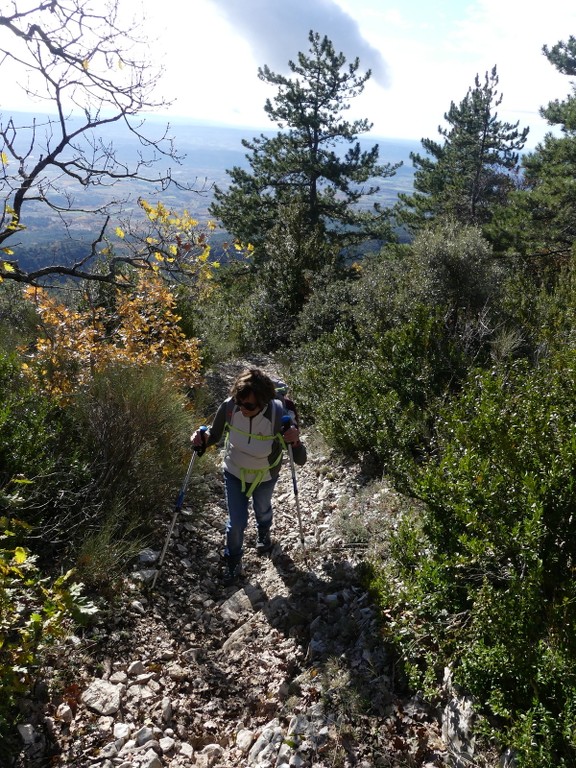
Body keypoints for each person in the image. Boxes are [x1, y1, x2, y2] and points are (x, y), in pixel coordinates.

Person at [191, 368, 306, 584]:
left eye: (249, 405)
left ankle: (264, 531)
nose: (242, 408)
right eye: (239, 401)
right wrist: (201, 438)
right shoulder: (230, 407)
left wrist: (295, 440)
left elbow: (300, 459)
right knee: (236, 523)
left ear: (263, 402)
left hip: (265, 475)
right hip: (234, 472)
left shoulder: (278, 415)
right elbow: (213, 435)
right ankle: (233, 561)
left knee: (262, 509)